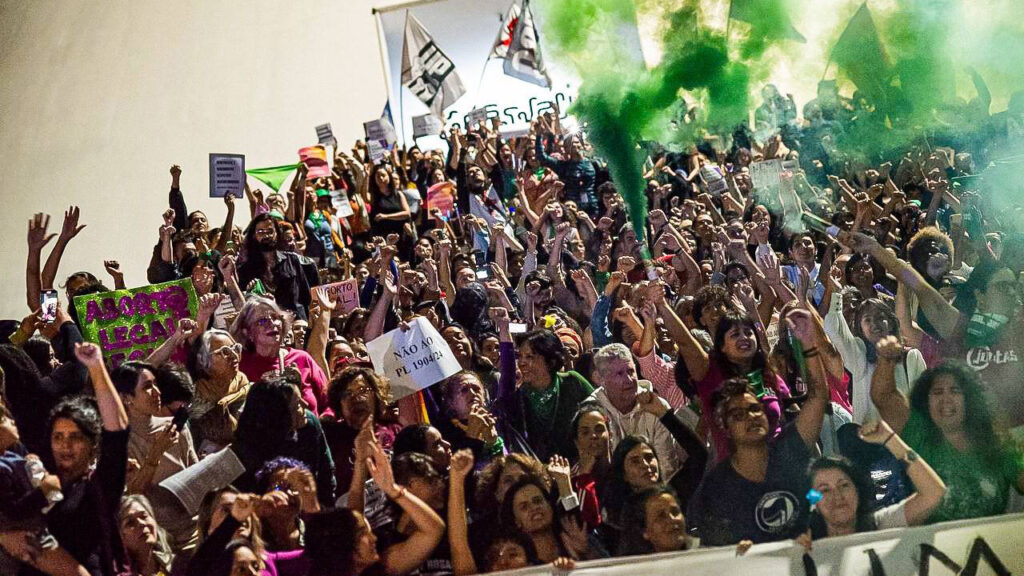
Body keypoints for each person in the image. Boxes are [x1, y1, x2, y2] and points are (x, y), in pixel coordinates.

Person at [687, 308, 830, 546]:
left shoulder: (790, 449)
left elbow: (817, 397)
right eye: (738, 414)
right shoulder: (717, 486)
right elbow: (711, 547)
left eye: (755, 409)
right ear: (725, 427)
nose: (751, 417)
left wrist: (808, 344)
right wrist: (734, 553)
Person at [871, 351, 1024, 523]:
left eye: (955, 391)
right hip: (931, 548)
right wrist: (886, 357)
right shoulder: (918, 434)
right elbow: (883, 397)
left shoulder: (997, 441)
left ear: (970, 399)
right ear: (925, 401)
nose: (946, 399)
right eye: (937, 392)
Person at [805, 419, 946, 539]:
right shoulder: (804, 542)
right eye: (825, 490)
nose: (837, 495)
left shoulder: (881, 525)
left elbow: (933, 493)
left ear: (858, 491)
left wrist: (889, 438)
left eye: (844, 485)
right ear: (813, 501)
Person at [492, 313, 594, 461]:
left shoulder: (573, 383)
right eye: (520, 356)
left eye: (530, 357)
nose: (521, 363)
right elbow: (507, 374)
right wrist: (503, 329)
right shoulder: (516, 400)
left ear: (551, 362)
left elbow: (599, 411)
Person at [231, 297, 328, 415]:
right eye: (262, 321)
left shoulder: (302, 359)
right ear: (248, 332)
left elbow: (330, 402)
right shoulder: (240, 365)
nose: (272, 324)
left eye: (276, 318)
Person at [236, 214, 320, 321]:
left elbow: (306, 296)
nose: (266, 236)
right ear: (254, 236)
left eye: (270, 231)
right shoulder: (246, 269)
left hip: (297, 323)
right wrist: (249, 293)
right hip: (268, 325)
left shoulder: (292, 260)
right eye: (260, 232)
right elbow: (242, 305)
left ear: (277, 233)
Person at [187, 329, 252, 456]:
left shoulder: (242, 381)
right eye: (224, 352)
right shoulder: (197, 396)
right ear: (202, 360)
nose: (234, 356)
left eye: (235, 348)